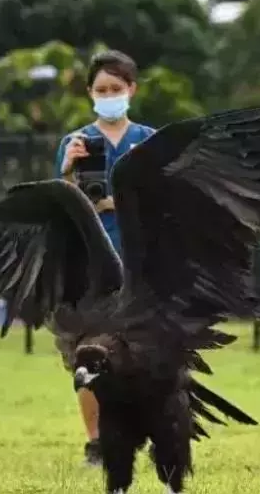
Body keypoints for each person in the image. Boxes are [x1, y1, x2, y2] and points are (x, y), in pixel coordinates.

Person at [53, 49, 155, 465]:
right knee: (87, 356)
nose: (108, 95)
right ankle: (97, 441)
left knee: (143, 356)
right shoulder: (75, 142)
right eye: (101, 89)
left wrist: (119, 205)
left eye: (116, 88)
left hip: (139, 263)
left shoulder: (150, 141)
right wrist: (66, 172)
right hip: (88, 268)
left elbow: (166, 204)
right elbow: (59, 209)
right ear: (90, 93)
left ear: (131, 89)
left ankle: (145, 432)